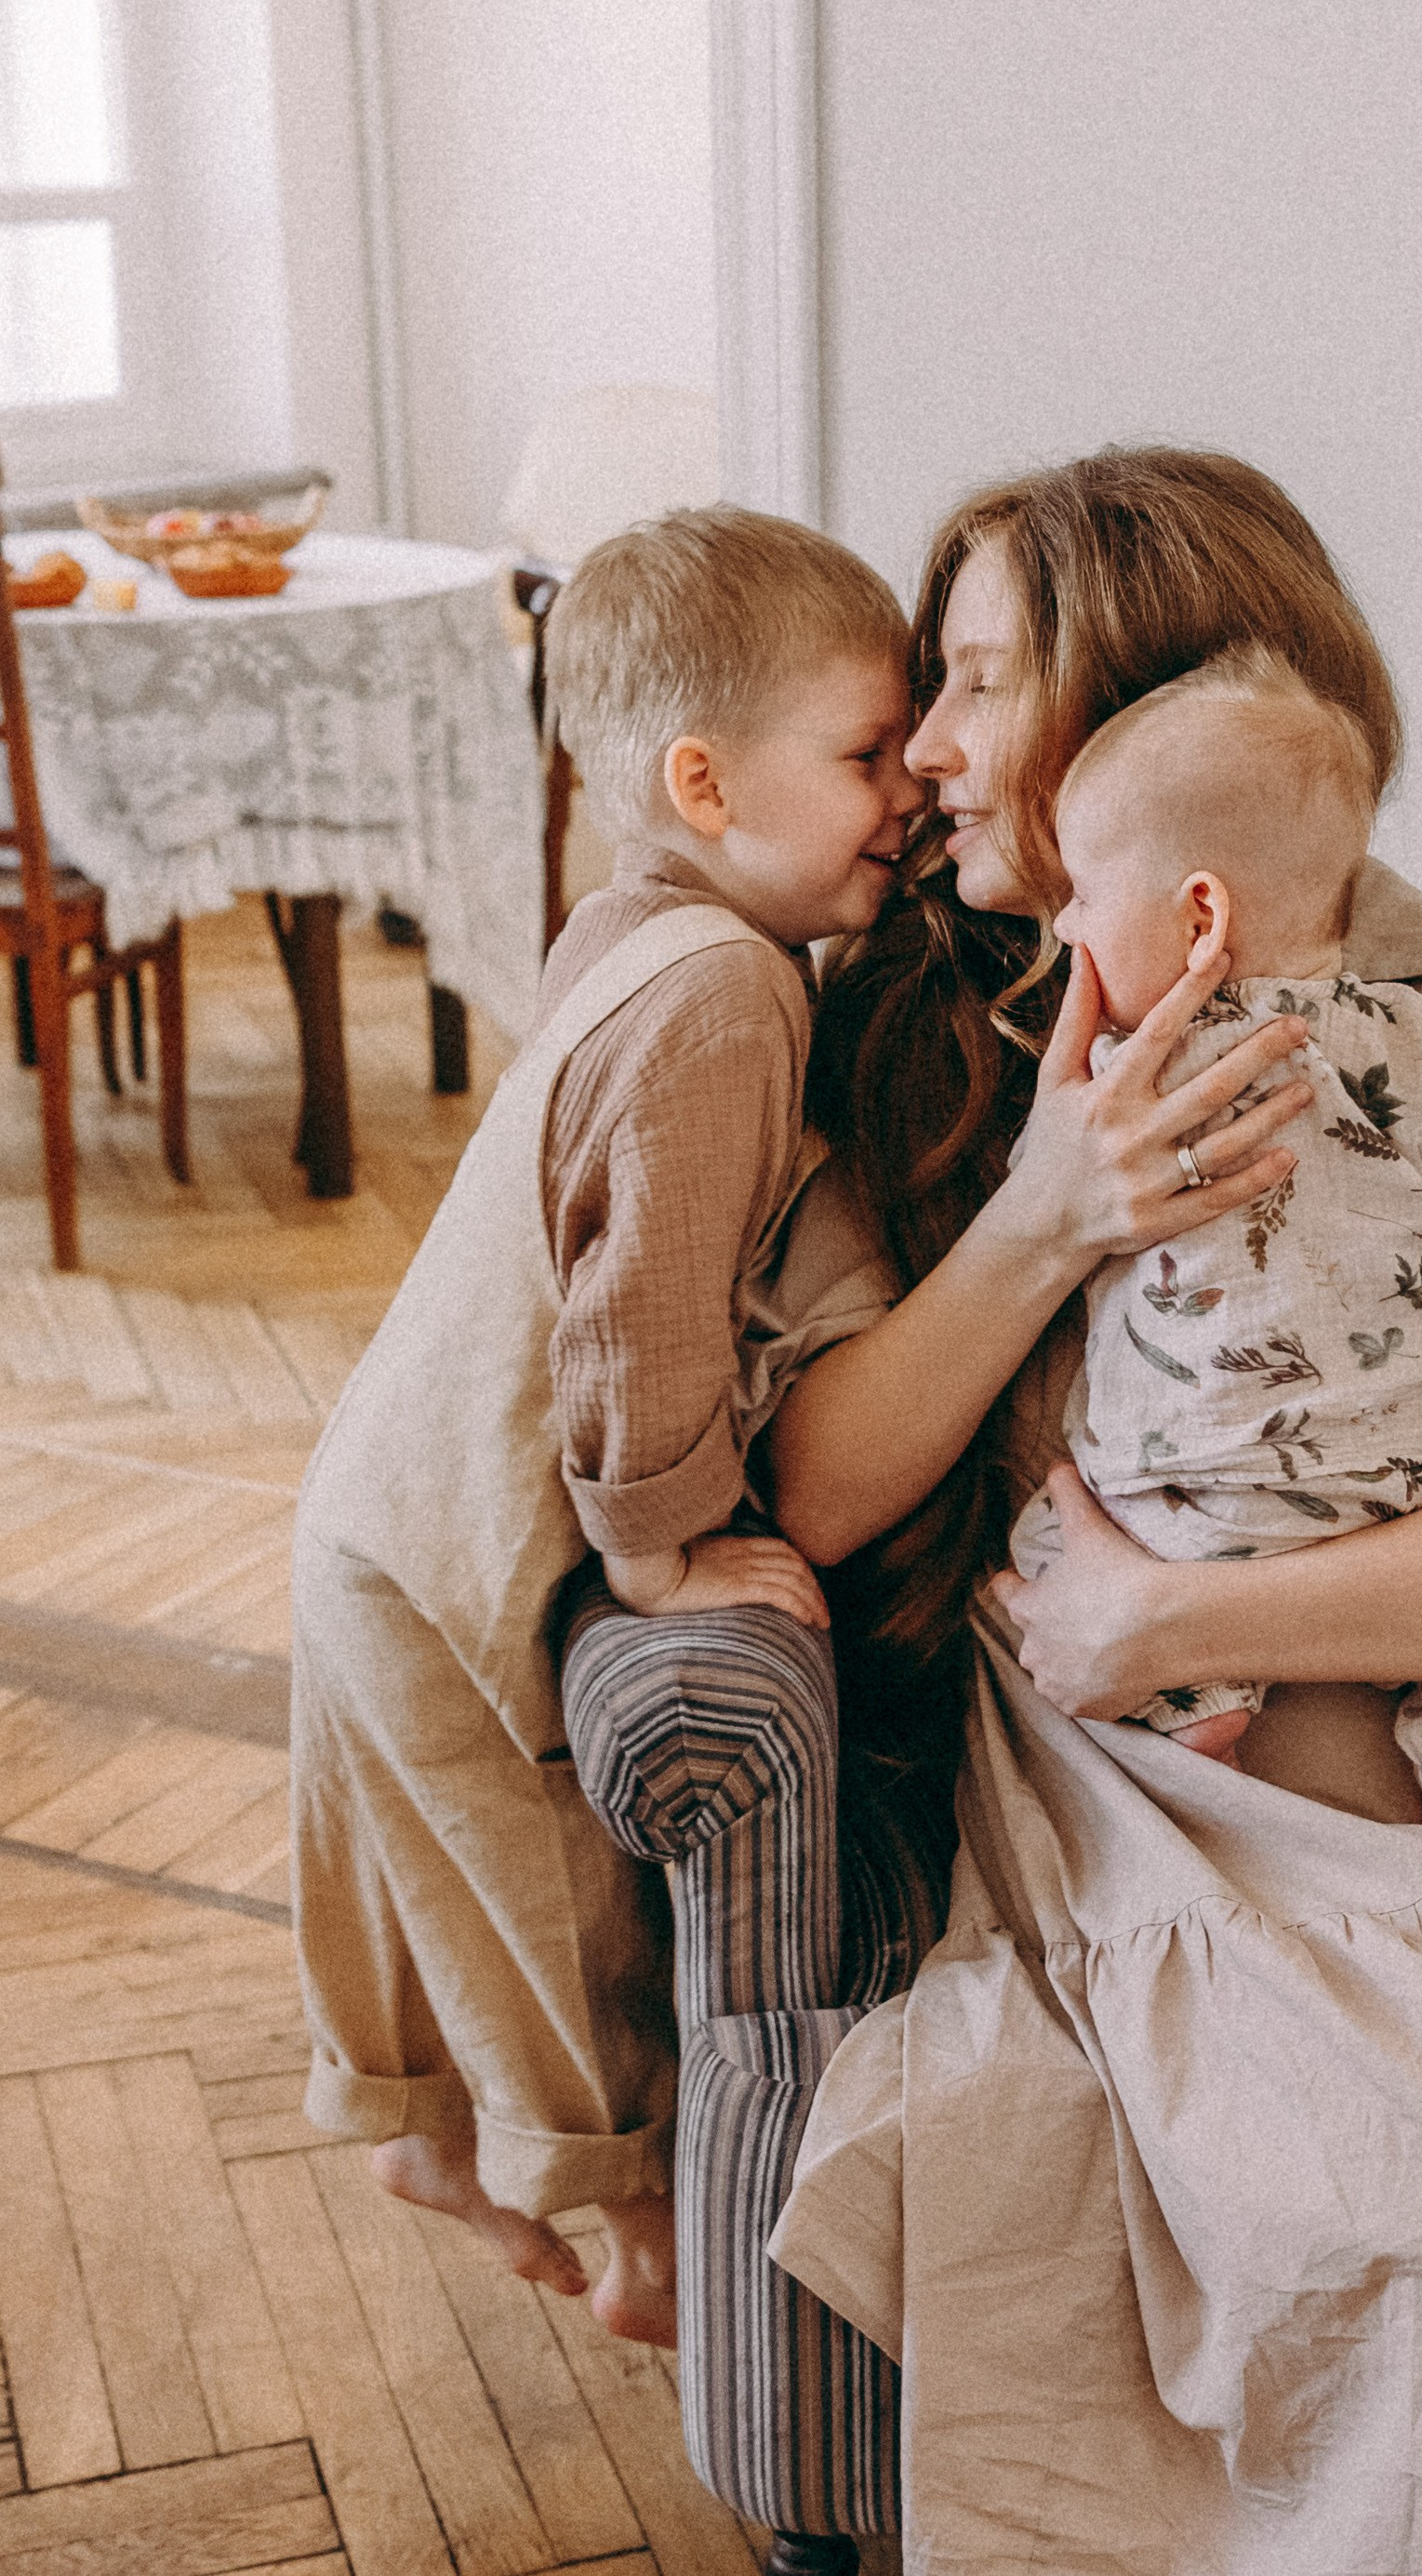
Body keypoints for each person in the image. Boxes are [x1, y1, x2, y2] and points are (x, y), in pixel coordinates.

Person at [745, 449, 1422, 2569]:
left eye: (978, 682)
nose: (931, 751)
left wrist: (1178, 1621)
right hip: (1163, 1764)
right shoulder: (883, 1024)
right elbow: (819, 1476)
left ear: (1148, 720)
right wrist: (1046, 1215)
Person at [289, 504, 918, 2344]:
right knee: (556, 1899)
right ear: (704, 780)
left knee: (428, 1877)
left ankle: (412, 2127)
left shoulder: (634, 919)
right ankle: (631, 2227)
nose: (903, 793)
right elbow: (637, 1303)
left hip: (372, 1499)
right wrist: (662, 1537)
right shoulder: (724, 991)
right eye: (864, 755)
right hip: (453, 1543)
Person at [1009, 646, 1422, 1822]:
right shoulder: (1413, 1039)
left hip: (1182, 1503)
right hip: (1407, 1487)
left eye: (1083, 892)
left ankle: (1192, 1704)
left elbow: (1045, 1212)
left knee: (1050, 1544)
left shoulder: (1117, 1084)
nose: (1064, 923)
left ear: (1198, 911)